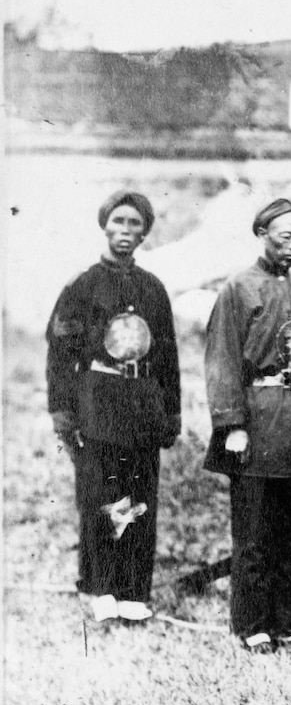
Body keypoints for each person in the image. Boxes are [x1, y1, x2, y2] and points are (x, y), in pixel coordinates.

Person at [46, 190, 181, 623]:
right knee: (101, 493)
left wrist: (171, 413)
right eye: (118, 223)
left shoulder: (153, 289)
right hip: (98, 402)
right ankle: (101, 587)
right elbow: (60, 354)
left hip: (141, 404)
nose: (125, 232)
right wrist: (63, 411)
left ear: (145, 233)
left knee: (140, 496)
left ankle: (133, 591)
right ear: (104, 226)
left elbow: (167, 358)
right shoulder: (82, 286)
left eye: (135, 225)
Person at [204, 196, 291, 653]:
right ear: (262, 235)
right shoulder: (238, 288)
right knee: (255, 533)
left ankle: (288, 624)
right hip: (257, 420)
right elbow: (222, 360)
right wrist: (232, 424)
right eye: (286, 236)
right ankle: (252, 625)